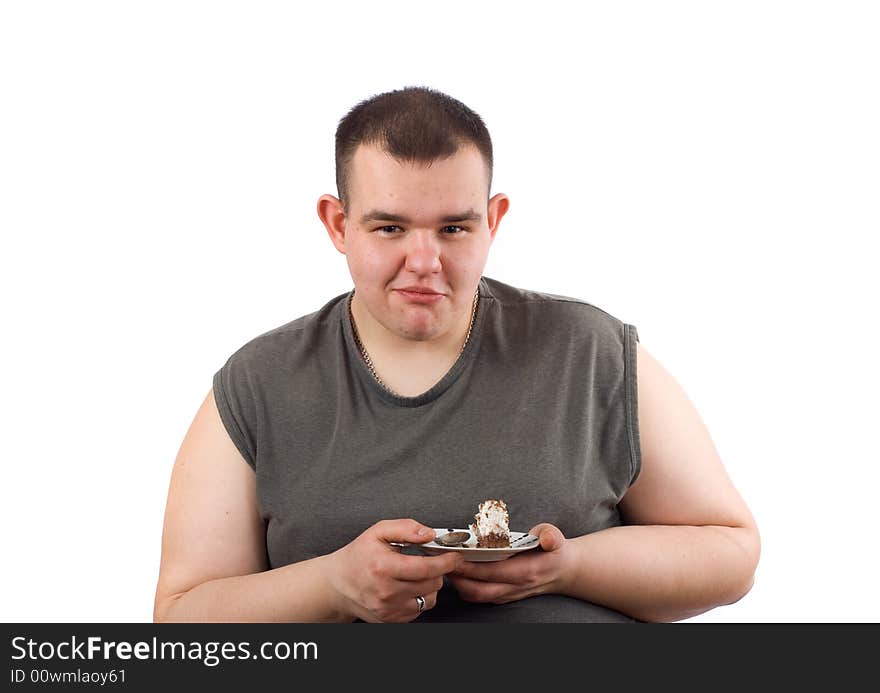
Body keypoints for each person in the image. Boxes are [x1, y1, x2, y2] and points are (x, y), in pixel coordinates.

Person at [153, 86, 760, 623]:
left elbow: (731, 553)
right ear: (338, 225)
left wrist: (566, 567)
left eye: (454, 229)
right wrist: (333, 586)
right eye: (389, 228)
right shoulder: (259, 384)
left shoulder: (589, 350)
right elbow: (180, 618)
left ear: (493, 221)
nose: (424, 262)